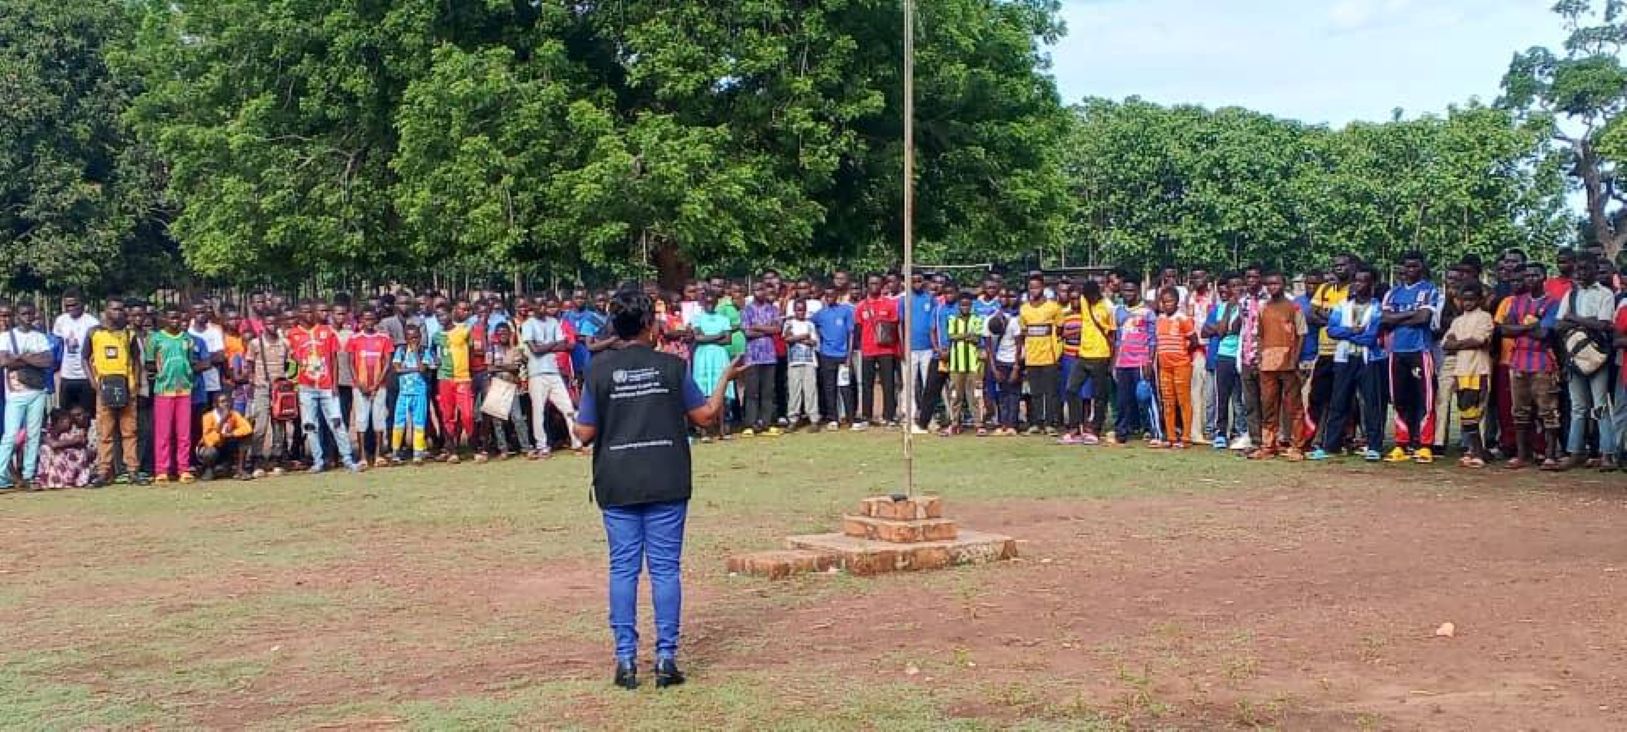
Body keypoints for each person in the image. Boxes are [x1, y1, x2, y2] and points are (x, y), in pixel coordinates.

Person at [572, 287, 740, 691]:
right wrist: (724, 378)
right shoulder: (672, 366)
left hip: (617, 479)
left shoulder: (598, 371)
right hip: (666, 477)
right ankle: (666, 659)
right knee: (665, 570)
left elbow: (584, 432)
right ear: (649, 325)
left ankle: (626, 661)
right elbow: (706, 416)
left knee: (623, 569)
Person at [1312, 267, 1387, 462]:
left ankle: (1375, 446)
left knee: (1371, 403)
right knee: (1339, 401)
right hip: (1344, 359)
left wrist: (1348, 333)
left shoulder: (1377, 307)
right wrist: (1353, 330)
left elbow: (1371, 337)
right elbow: (1332, 331)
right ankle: (1331, 445)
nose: (1359, 285)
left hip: (1369, 360)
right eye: (1357, 281)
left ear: (1371, 285)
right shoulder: (1342, 306)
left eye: (1364, 281)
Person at [1554, 254, 1616, 469]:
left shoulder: (1605, 294)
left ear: (1593, 269)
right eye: (1578, 269)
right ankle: (1575, 452)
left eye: (1585, 269)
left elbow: (1604, 325)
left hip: (1596, 355)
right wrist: (1585, 323)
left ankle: (1608, 453)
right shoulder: (1570, 294)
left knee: (1600, 406)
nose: (1580, 273)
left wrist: (1574, 319)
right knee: (1578, 407)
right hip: (1574, 356)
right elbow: (1558, 326)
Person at [1381, 252, 1443, 464]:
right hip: (1396, 352)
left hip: (1420, 350)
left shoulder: (1428, 290)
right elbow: (1385, 319)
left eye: (1415, 266)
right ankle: (1402, 443)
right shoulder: (1392, 293)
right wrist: (1410, 316)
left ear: (1422, 267)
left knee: (1425, 398)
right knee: (1399, 398)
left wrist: (1398, 319)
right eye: (1407, 266)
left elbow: (1424, 318)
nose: (1410, 270)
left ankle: (1425, 445)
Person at [287, 301, 362, 473]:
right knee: (310, 425)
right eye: (304, 312)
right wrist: (295, 384)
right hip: (306, 387)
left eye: (310, 311)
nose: (308, 315)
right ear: (299, 315)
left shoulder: (326, 332)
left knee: (337, 422)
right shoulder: (293, 334)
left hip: (327, 386)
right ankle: (318, 461)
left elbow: (334, 359)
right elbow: (291, 362)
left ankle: (348, 459)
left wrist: (335, 383)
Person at [1502, 263, 1563, 470]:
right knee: (1519, 410)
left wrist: (1519, 329)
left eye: (1535, 275)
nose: (1530, 279)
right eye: (1527, 275)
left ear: (1544, 277)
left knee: (1548, 410)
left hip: (1542, 361)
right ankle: (1522, 455)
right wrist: (1530, 327)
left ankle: (1550, 455)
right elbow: (1504, 330)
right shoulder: (1516, 301)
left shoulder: (1553, 302)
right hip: (1518, 360)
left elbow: (1545, 334)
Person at [86, 296, 146, 485]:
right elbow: (85, 358)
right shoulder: (94, 333)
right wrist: (93, 382)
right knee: (105, 431)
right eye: (114, 309)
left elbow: (136, 360)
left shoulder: (128, 335)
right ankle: (104, 471)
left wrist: (135, 383)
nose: (118, 313)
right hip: (104, 386)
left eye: (121, 310)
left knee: (130, 430)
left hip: (126, 386)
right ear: (106, 311)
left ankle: (132, 471)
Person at [1250, 272, 1308, 461]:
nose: (1272, 287)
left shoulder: (1293, 307)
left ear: (1284, 284)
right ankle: (1268, 445)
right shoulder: (1263, 308)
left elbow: (1301, 334)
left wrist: (1295, 359)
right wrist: (1259, 357)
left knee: (1294, 406)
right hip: (1267, 364)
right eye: (1269, 284)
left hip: (1288, 363)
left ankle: (1297, 446)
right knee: (1268, 406)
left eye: (1276, 283)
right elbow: (1259, 335)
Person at [147, 305, 206, 484]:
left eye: (178, 318)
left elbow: (190, 362)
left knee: (184, 433)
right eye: (171, 318)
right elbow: (149, 364)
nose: (175, 321)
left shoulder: (187, 339)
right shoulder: (155, 339)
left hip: (185, 390)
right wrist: (161, 374)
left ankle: (183, 469)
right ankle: (162, 470)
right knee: (163, 433)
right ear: (164, 319)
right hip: (164, 390)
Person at [1442, 282, 1495, 468]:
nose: (1468, 303)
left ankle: (1478, 451)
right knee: (1465, 411)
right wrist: (1462, 344)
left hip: (1478, 369)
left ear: (1479, 300)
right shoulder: (1457, 321)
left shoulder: (1485, 317)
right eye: (1465, 300)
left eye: (1472, 300)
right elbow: (1446, 344)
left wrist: (1457, 344)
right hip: (1461, 370)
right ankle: (1475, 450)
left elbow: (1480, 341)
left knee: (1476, 410)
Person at [521, 298, 580, 458]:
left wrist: (544, 346)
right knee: (538, 411)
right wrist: (552, 345)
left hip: (554, 372)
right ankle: (542, 446)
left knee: (568, 407)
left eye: (544, 304)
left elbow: (563, 345)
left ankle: (577, 442)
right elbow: (534, 349)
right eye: (538, 304)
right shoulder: (528, 324)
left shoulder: (554, 322)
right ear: (533, 307)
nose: (542, 307)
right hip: (536, 373)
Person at [1065, 280, 1116, 444]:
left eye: (1093, 296)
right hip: (1083, 354)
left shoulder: (1107, 306)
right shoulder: (1083, 300)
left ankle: (1095, 429)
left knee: (1099, 395)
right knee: (1071, 389)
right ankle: (1074, 428)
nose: (1090, 299)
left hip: (1101, 355)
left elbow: (1113, 335)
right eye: (1088, 296)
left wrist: (1112, 360)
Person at [247, 314, 294, 477]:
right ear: (263, 324)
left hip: (280, 390)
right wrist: (253, 383)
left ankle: (277, 458)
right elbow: (250, 365)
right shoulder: (255, 343)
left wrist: (287, 382)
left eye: (274, 323)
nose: (272, 326)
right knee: (260, 426)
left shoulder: (285, 344)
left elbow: (290, 365)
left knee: (279, 426)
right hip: (262, 389)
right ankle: (256, 459)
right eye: (268, 323)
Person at [1112, 279, 1158, 445]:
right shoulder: (1118, 311)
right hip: (1123, 362)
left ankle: (1151, 430)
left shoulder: (1147, 312)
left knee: (1143, 397)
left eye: (1131, 290)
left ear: (1137, 291)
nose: (1128, 294)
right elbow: (1117, 340)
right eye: (1125, 290)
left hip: (1140, 361)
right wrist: (1114, 363)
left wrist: (1149, 361)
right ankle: (1121, 432)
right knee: (1123, 400)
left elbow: (1153, 340)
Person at [347, 308, 395, 468]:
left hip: (379, 386)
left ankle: (379, 455)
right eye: (365, 319)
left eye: (372, 319)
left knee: (378, 419)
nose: (369, 322)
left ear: (376, 320)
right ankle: (362, 456)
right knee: (361, 420)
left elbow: (387, 362)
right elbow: (350, 363)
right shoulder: (354, 338)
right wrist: (359, 384)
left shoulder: (384, 338)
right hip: (360, 387)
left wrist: (376, 384)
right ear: (361, 320)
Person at [1154, 287, 1199, 448]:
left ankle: (1186, 437)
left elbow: (1194, 341)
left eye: (1170, 301)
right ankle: (1171, 436)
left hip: (1181, 365)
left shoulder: (1183, 319)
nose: (1167, 305)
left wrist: (1183, 353)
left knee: (1183, 401)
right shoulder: (1159, 319)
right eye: (1164, 302)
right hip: (1164, 366)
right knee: (1168, 401)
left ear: (1177, 302)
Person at [689, 291, 736, 442]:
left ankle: (723, 429)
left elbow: (728, 339)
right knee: (703, 393)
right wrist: (718, 335)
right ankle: (705, 432)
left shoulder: (723, 319)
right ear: (702, 302)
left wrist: (707, 338)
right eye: (707, 301)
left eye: (712, 301)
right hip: (702, 357)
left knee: (722, 392)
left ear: (716, 302)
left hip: (719, 356)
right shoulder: (697, 318)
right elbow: (697, 338)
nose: (709, 304)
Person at [1018, 274, 1062, 435]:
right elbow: (1023, 333)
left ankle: (1050, 424)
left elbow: (1060, 330)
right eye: (1031, 287)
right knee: (1035, 392)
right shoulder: (1024, 309)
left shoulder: (1053, 307)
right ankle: (1036, 423)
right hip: (1032, 356)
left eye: (1037, 287)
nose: (1034, 290)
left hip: (1049, 355)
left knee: (1050, 391)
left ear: (1043, 288)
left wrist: (1057, 351)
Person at [855, 275, 900, 430]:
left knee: (888, 384)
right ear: (867, 285)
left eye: (877, 283)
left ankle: (889, 417)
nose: (874, 286)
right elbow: (858, 329)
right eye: (871, 283)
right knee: (867, 384)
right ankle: (866, 417)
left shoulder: (890, 304)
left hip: (886, 350)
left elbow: (895, 326)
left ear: (882, 286)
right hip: (867, 349)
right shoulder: (861, 306)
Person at [431, 303, 475, 462]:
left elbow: (471, 352)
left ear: (451, 313)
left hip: (463, 378)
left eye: (443, 314)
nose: (441, 319)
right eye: (438, 316)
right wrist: (434, 360)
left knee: (467, 414)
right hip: (444, 378)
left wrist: (470, 371)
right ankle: (452, 450)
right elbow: (431, 353)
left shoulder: (464, 331)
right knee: (447, 415)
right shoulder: (436, 336)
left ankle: (473, 445)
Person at [482, 322, 533, 458]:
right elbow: (489, 368)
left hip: (512, 385)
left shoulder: (515, 349)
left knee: (518, 418)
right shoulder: (491, 349)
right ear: (496, 335)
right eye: (500, 333)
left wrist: (499, 366)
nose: (502, 335)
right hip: (497, 385)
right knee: (497, 420)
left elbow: (515, 368)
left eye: (505, 332)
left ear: (510, 334)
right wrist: (506, 366)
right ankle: (503, 449)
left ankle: (526, 447)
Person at [740, 282, 783, 437]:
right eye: (757, 289)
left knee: (768, 392)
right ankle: (750, 424)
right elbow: (747, 333)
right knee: (752, 392)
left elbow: (778, 329)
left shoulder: (773, 309)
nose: (759, 292)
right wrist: (767, 330)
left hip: (769, 356)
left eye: (762, 289)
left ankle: (766, 423)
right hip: (752, 357)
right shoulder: (747, 310)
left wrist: (758, 327)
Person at [942, 292, 986, 437]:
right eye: (962, 305)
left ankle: (979, 424)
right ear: (958, 306)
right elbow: (951, 335)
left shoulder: (977, 318)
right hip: (956, 364)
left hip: (973, 364)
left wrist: (963, 336)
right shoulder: (952, 319)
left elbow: (977, 338)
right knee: (955, 395)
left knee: (975, 395)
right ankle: (954, 423)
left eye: (968, 304)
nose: (965, 307)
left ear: (971, 305)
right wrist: (967, 335)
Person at [811, 288, 855, 430]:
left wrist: (849, 355)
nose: (829, 297)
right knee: (829, 388)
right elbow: (811, 325)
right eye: (827, 295)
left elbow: (851, 334)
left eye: (832, 295)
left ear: (837, 296)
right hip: (826, 355)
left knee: (845, 387)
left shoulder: (845, 311)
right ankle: (833, 418)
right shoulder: (820, 314)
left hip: (842, 356)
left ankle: (850, 418)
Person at [52, 288, 99, 412]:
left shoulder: (92, 323)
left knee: (86, 414)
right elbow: (58, 346)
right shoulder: (60, 321)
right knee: (66, 415)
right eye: (67, 306)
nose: (70, 308)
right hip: (66, 376)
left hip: (86, 376)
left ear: (82, 303)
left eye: (74, 305)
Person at [392, 324, 433, 465]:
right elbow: (397, 369)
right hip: (403, 393)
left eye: (416, 337)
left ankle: (418, 454)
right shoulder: (401, 350)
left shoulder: (424, 352)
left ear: (420, 337)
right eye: (410, 338)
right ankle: (395, 452)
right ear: (406, 338)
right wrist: (414, 369)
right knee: (399, 422)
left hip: (419, 392)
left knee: (419, 423)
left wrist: (415, 354)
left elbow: (423, 369)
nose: (413, 340)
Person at [985, 289, 1022, 436]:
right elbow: (988, 348)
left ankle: (1013, 425)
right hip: (999, 361)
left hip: (1012, 361)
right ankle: (1003, 424)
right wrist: (994, 369)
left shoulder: (1013, 323)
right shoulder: (988, 322)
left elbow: (1019, 346)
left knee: (1014, 394)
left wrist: (1016, 367)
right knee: (1001, 394)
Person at [196, 391, 253, 480]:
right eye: (222, 402)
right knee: (210, 452)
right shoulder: (207, 417)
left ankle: (240, 470)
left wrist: (232, 434)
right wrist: (222, 421)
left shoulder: (234, 414)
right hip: (212, 447)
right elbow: (209, 440)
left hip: (226, 446)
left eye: (227, 401)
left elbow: (247, 428)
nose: (226, 404)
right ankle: (208, 469)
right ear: (215, 404)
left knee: (246, 436)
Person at [782, 299, 820, 430]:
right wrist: (803, 336)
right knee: (794, 392)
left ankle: (814, 419)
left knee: (810, 391)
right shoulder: (789, 323)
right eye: (798, 309)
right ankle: (793, 418)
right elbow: (787, 339)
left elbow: (814, 342)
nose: (800, 312)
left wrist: (797, 338)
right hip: (794, 362)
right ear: (794, 310)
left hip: (809, 361)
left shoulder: (810, 324)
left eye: (803, 310)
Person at [37, 408, 91, 489]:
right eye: (65, 420)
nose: (68, 422)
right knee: (45, 449)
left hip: (72, 466)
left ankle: (71, 480)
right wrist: (72, 441)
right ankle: (49, 480)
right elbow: (54, 444)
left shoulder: (74, 431)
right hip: (58, 467)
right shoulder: (46, 433)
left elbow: (82, 441)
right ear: (58, 422)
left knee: (75, 452)